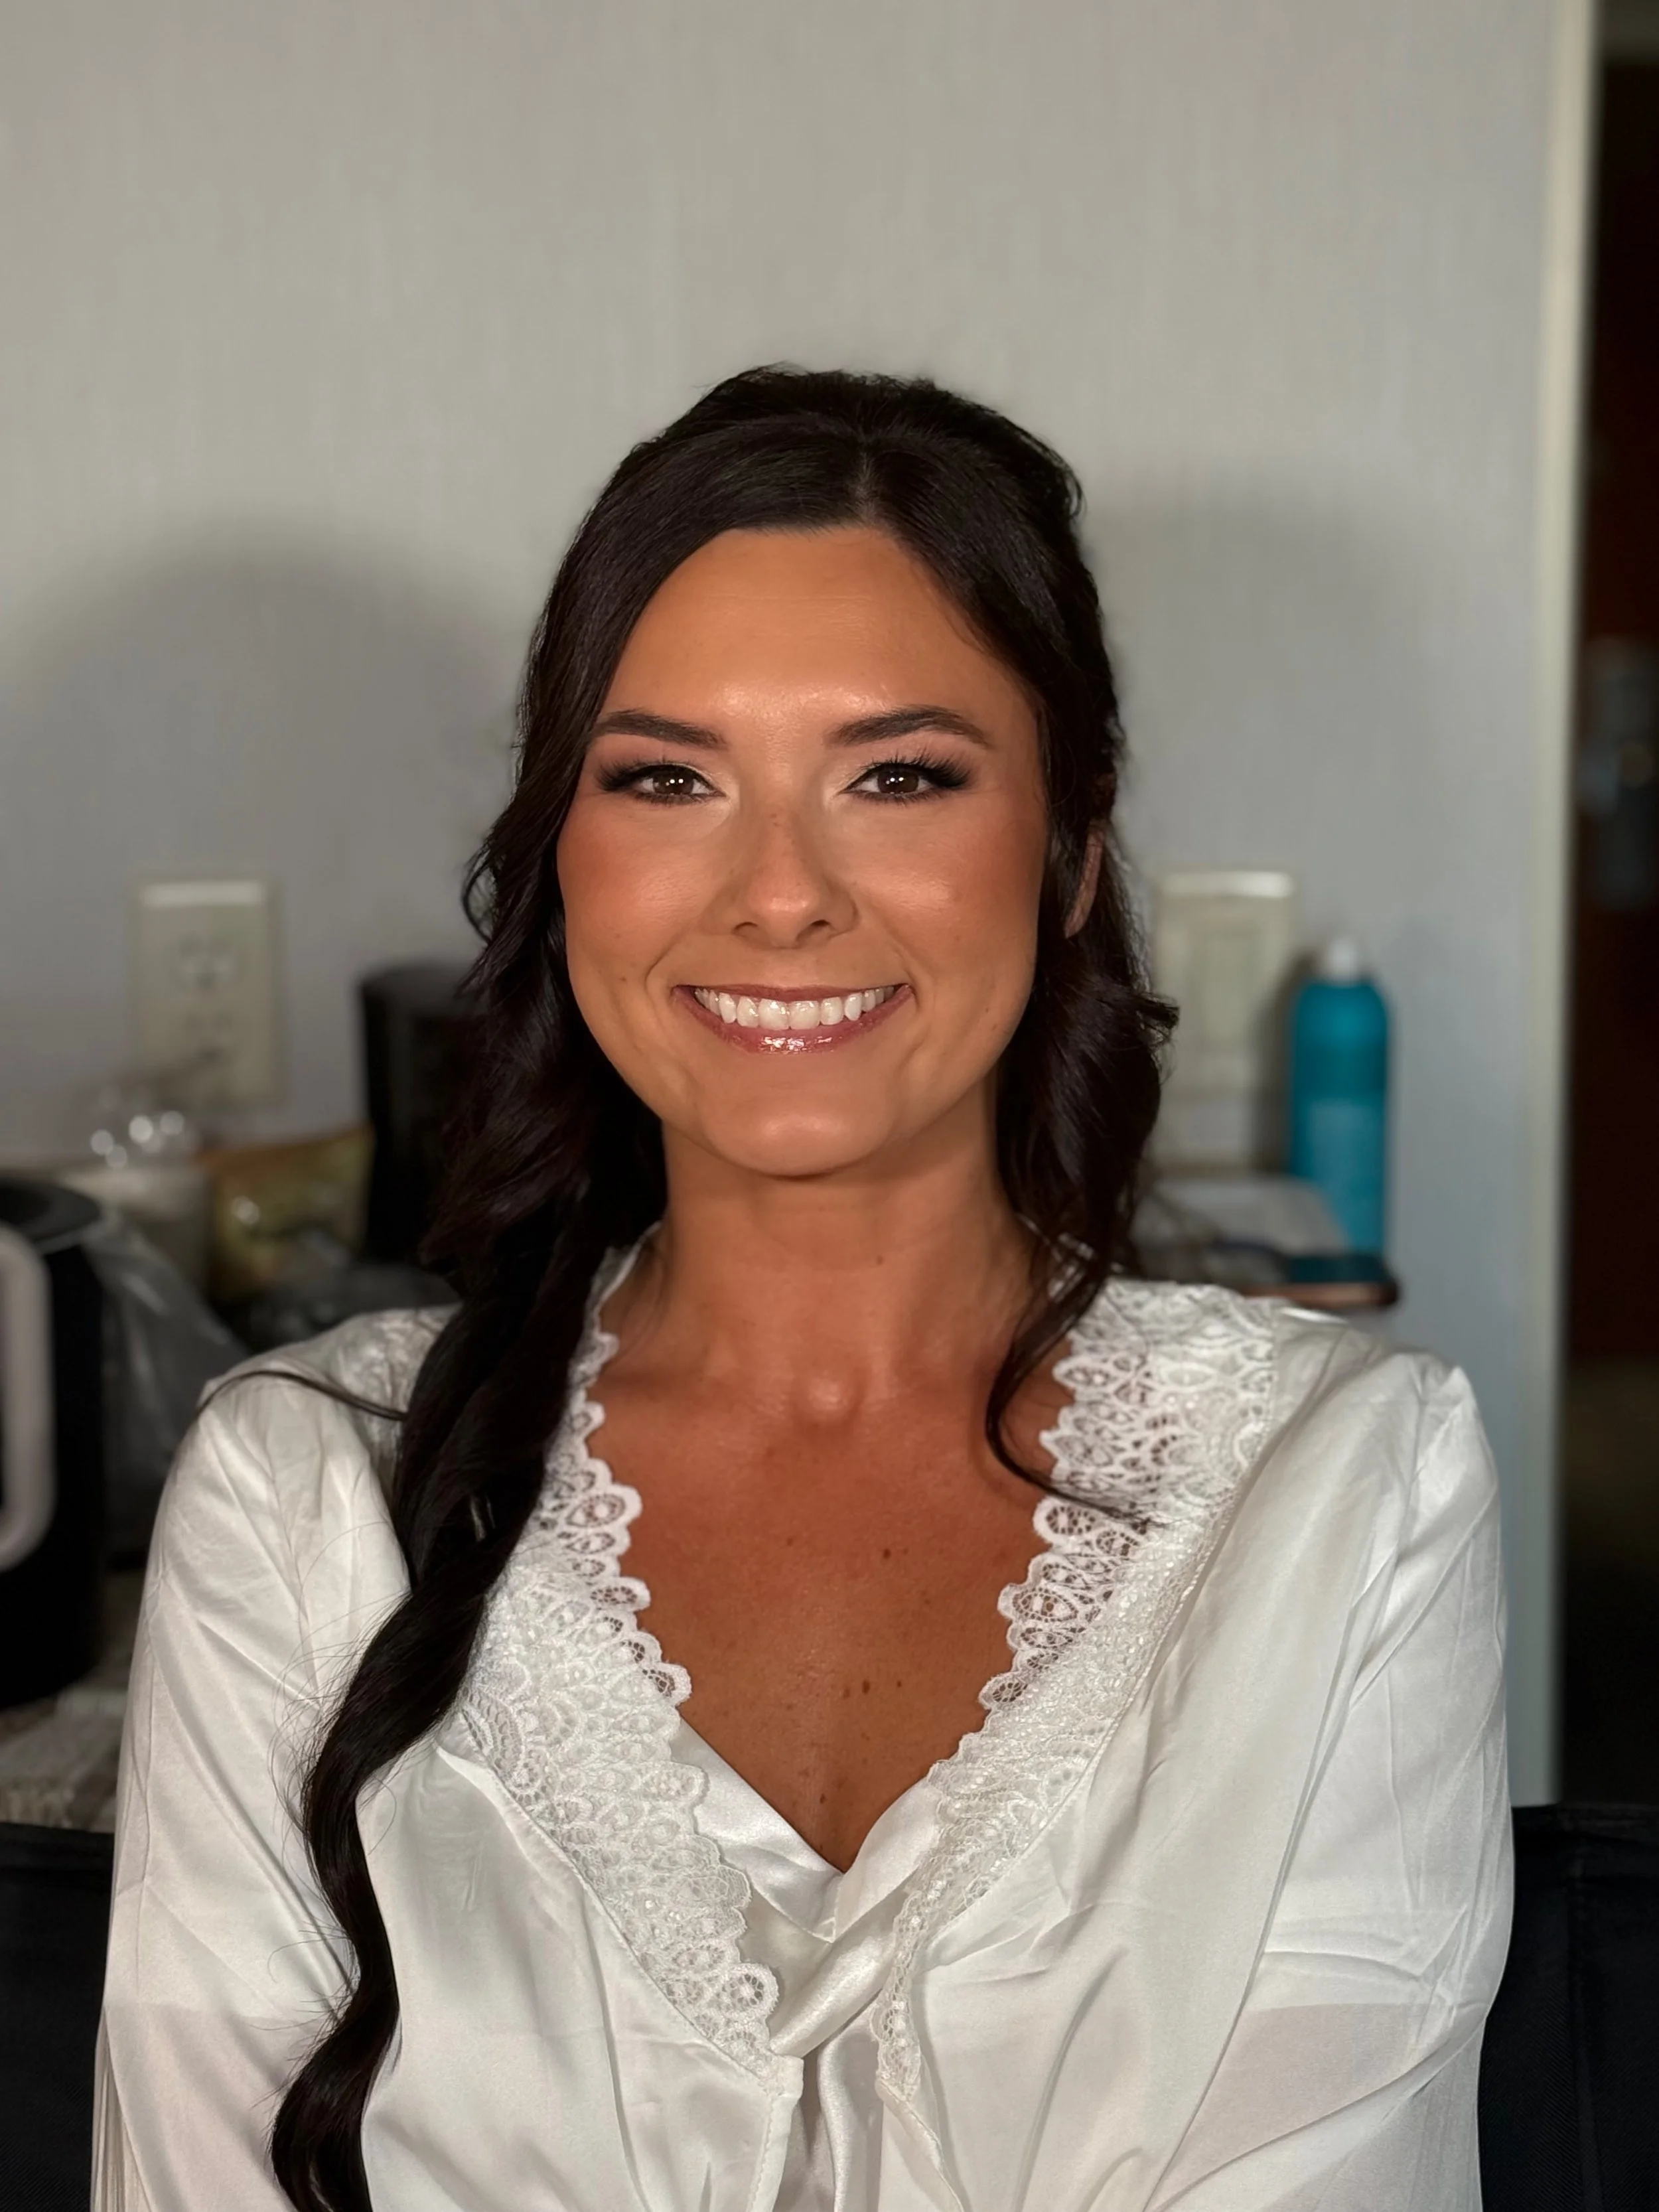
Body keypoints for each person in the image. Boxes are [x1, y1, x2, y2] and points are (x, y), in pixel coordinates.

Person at [95, 368, 1511, 2212]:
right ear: (563, 857)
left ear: (1070, 851)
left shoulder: (1349, 1486)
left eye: (899, 775)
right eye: (666, 777)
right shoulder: (302, 1499)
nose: (778, 891)